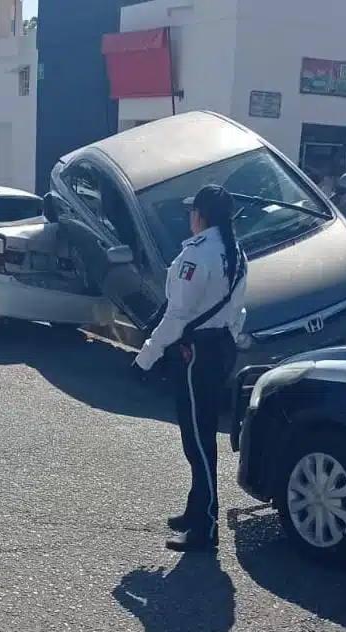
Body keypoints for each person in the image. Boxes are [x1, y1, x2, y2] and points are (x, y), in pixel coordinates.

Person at [131, 184, 248, 553]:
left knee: (197, 442)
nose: (188, 218)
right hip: (221, 347)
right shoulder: (236, 252)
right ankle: (195, 509)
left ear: (201, 215)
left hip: (197, 353)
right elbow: (237, 312)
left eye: (191, 211)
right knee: (201, 436)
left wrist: (145, 356)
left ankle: (207, 527)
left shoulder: (198, 254)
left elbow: (177, 315)